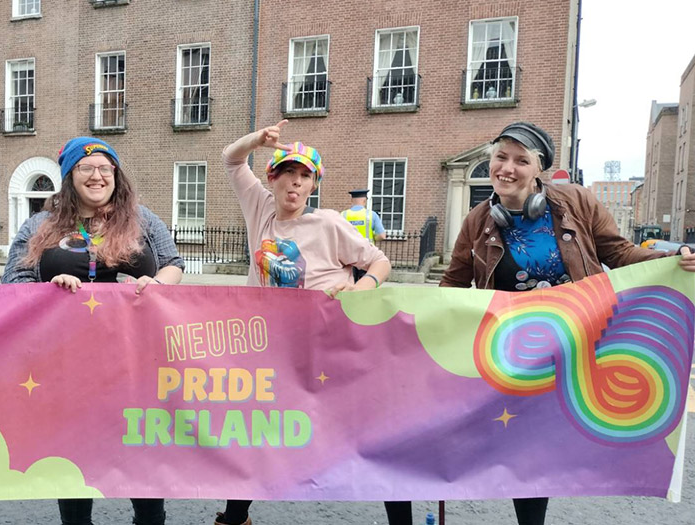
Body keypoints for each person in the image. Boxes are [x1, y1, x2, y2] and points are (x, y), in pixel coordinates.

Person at [382, 121, 695, 525]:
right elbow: (453, 284)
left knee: (535, 450)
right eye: (500, 157)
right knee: (492, 436)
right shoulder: (479, 220)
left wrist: (672, 261)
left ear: (538, 169)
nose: (506, 168)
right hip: (507, 349)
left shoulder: (576, 203)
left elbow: (618, 254)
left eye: (520, 160)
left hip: (567, 345)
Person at [215, 120, 391, 525]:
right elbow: (230, 158)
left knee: (361, 430)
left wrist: (363, 289)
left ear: (313, 185)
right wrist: (259, 140)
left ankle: (398, 512)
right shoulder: (259, 208)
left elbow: (378, 262)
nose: (295, 184)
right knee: (256, 431)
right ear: (272, 179)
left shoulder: (329, 223)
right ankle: (234, 515)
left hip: (325, 347)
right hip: (269, 346)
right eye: (287, 174)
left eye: (305, 176)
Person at [1, 136, 183, 525]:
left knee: (141, 453)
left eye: (105, 168)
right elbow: (13, 282)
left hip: (136, 359)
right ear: (70, 176)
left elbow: (172, 263)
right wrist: (49, 291)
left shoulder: (142, 220)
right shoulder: (41, 224)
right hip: (68, 361)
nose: (97, 176)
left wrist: (158, 284)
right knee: (76, 458)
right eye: (86, 168)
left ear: (116, 174)